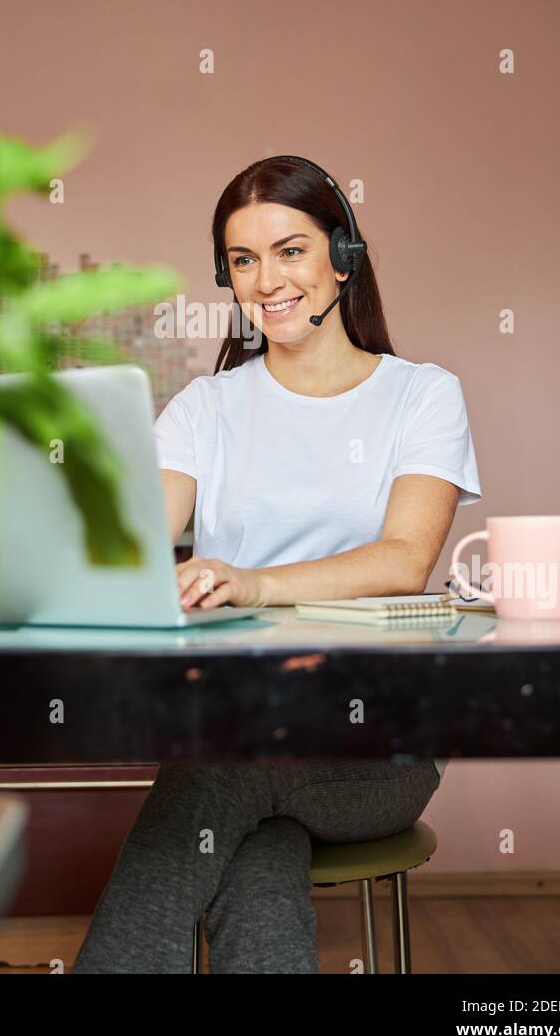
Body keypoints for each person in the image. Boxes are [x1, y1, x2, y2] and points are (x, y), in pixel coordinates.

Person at [71, 154, 482, 974]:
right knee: (257, 856)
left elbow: (404, 561)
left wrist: (254, 583)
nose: (267, 280)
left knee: (215, 779)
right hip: (239, 727)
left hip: (376, 742)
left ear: (344, 256)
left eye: (290, 250)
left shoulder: (422, 396)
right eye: (244, 260)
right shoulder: (205, 408)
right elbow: (135, 545)